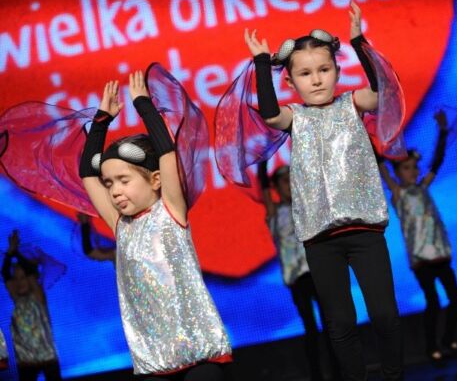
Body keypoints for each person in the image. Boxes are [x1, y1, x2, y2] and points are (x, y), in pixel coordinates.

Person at [216, 2, 405, 381]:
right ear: (291, 82)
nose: (316, 80)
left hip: (365, 231)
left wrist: (358, 41)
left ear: (337, 70)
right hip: (319, 239)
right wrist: (261, 63)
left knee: (384, 313)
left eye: (324, 70)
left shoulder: (353, 104)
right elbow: (269, 114)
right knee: (340, 322)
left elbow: (380, 89)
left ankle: (393, 375)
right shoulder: (295, 118)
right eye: (305, 73)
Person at [75, 72, 232, 380]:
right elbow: (87, 174)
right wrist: (102, 120)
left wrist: (144, 106)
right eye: (110, 183)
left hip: (201, 355)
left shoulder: (171, 210)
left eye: (124, 180)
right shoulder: (120, 225)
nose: (115, 191)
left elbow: (167, 153)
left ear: (156, 180)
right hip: (154, 365)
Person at [379, 110, 457, 363]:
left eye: (414, 167)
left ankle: (448, 339)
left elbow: (436, 162)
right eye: (407, 168)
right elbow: (381, 167)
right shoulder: (398, 194)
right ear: (397, 172)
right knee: (433, 301)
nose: (413, 171)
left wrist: (442, 132)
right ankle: (432, 347)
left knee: (455, 297)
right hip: (421, 259)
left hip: (440, 253)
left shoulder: (423, 186)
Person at [258, 162, 342, 381]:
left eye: (292, 180)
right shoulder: (275, 213)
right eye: (285, 181)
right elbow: (263, 186)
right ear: (276, 187)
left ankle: (338, 373)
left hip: (317, 273)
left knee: (331, 326)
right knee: (310, 328)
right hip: (298, 280)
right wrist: (262, 160)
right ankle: (316, 375)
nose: (290, 185)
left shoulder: (306, 207)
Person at [2, 230, 62, 381]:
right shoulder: (17, 298)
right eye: (16, 278)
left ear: (30, 279)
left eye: (23, 277)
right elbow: (5, 274)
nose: (19, 282)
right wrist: (10, 252)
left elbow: (30, 271)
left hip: (48, 358)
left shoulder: (38, 296)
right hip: (26, 361)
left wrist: (16, 252)